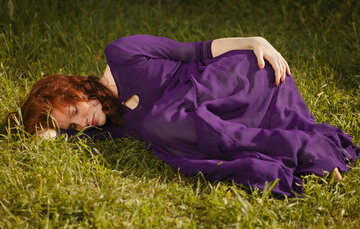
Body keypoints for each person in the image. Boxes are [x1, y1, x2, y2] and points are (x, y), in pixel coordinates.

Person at [9, 35, 359, 196]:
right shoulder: (114, 125)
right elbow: (59, 134)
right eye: (72, 127)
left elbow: (193, 51)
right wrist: (48, 132)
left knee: (159, 125)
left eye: (73, 111)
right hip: (222, 116)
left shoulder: (122, 54)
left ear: (77, 90)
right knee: (159, 128)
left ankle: (299, 150)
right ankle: (302, 150)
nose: (81, 123)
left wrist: (255, 41)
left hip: (235, 79)